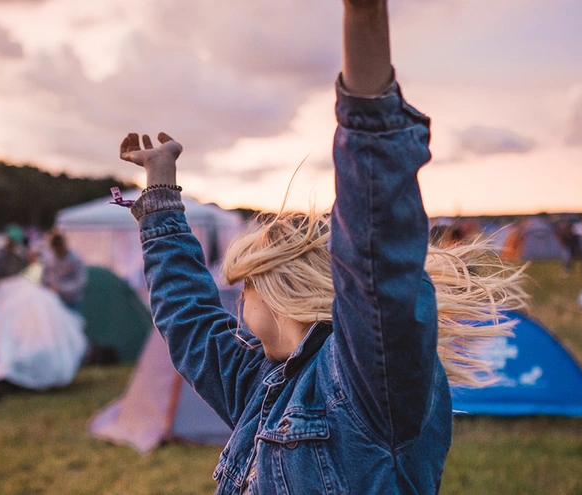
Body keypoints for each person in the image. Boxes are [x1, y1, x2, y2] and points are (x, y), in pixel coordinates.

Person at [117, 1, 526, 492]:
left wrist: (365, 24)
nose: (236, 303)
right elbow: (189, 319)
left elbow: (375, 249)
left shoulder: (366, 381)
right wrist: (161, 189)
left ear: (276, 288)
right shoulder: (261, 384)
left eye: (244, 286)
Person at [40, 233, 88, 311]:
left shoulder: (75, 259)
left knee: (71, 318)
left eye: (59, 246)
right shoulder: (49, 259)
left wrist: (62, 288)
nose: (58, 249)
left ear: (64, 244)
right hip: (54, 299)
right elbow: (44, 279)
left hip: (71, 300)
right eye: (55, 247)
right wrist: (47, 291)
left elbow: (80, 282)